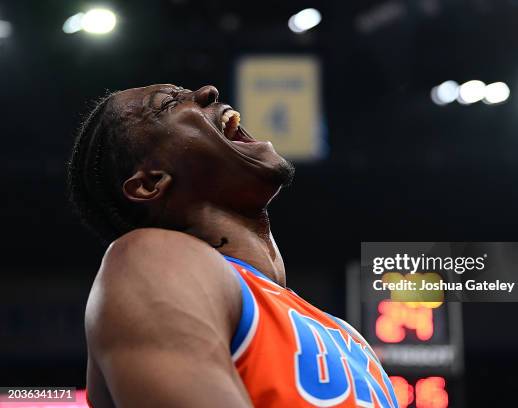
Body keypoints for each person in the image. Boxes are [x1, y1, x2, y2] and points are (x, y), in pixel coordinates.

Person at [68, 84, 399, 407]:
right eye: (168, 103)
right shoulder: (145, 258)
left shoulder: (347, 335)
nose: (209, 91)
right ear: (151, 183)